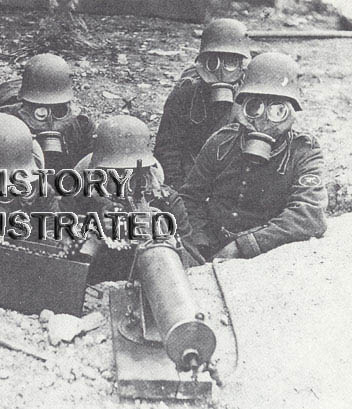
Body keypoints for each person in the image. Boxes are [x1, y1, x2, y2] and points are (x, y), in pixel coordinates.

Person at [180, 53, 328, 261]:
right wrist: (200, 243)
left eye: (278, 110)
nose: (264, 119)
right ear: (242, 107)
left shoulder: (303, 152)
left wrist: (244, 246)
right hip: (211, 244)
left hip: (266, 253)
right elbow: (189, 198)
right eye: (254, 107)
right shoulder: (222, 142)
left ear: (292, 112)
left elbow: (309, 215)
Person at [70, 115, 204, 283]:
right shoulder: (82, 198)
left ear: (147, 170)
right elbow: (62, 267)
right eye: (115, 174)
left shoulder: (167, 201)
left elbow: (196, 268)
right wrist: (93, 236)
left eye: (133, 174)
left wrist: (165, 240)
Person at [154, 18, 250, 189]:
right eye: (213, 63)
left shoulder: (250, 97)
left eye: (231, 63)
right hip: (192, 169)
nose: (221, 71)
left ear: (242, 65)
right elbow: (168, 148)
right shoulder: (186, 93)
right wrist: (178, 187)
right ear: (202, 62)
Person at [0, 53, 95, 171]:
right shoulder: (6, 120)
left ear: (68, 103)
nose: (49, 120)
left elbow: (92, 164)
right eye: (39, 112)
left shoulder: (82, 126)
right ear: (23, 103)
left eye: (58, 110)